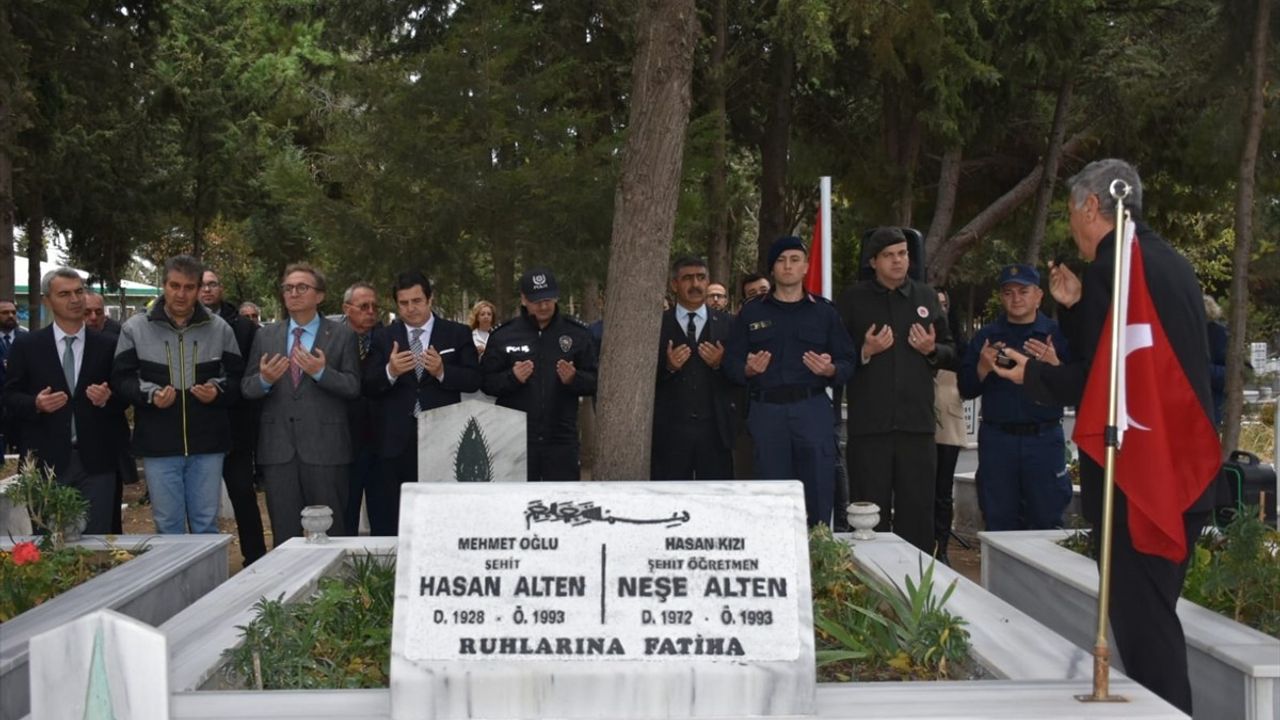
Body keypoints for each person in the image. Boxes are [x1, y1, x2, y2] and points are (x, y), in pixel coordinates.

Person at [993, 158, 1217, 714]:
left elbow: (1100, 382)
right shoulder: (1163, 260)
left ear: (1093, 206)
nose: (1072, 225)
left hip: (1136, 479)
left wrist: (1031, 375)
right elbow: (1121, 360)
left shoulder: (1114, 269)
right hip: (1174, 467)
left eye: (1072, 212)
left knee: (1146, 632)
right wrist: (1072, 311)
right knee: (1153, 618)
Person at [837, 226, 955, 554]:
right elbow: (836, 357)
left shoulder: (927, 297)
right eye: (889, 256)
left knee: (917, 515)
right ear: (873, 262)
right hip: (869, 429)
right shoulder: (852, 300)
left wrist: (932, 349)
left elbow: (952, 351)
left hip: (916, 427)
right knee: (867, 516)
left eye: (902, 254)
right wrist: (865, 351)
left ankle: (913, 591)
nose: (898, 261)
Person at [725, 236, 855, 526]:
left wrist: (830, 369)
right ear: (772, 269)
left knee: (818, 488)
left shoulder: (824, 312)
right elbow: (730, 364)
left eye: (795, 260)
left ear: (806, 266)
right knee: (770, 493)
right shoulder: (751, 312)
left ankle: (818, 561)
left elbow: (849, 361)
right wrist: (747, 370)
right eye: (781, 261)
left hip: (812, 410)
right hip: (767, 412)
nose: (788, 266)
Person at [112, 255, 245, 535]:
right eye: (174, 285)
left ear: (198, 289)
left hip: (208, 443)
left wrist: (217, 391)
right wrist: (150, 394)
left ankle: (208, 581)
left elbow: (236, 380)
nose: (181, 294)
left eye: (189, 287)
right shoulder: (135, 328)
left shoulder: (220, 328)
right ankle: (173, 580)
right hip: (158, 444)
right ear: (163, 286)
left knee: (206, 523)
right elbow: (121, 379)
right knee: (167, 524)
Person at [240, 263, 360, 544]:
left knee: (333, 533)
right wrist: (265, 379)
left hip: (326, 449)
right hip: (279, 451)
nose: (294, 293)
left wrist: (320, 372)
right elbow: (247, 387)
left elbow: (353, 387)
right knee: (284, 537)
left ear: (319, 296)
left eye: (302, 287)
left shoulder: (342, 335)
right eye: (288, 288)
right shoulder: (265, 335)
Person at [4, 269, 127, 533]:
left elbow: (124, 394)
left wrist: (108, 399)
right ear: (47, 301)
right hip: (45, 462)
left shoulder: (108, 345)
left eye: (79, 291)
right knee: (49, 542)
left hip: (97, 461)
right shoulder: (28, 346)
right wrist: (35, 404)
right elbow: (9, 397)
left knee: (99, 543)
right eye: (65, 294)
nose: (75, 299)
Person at [957, 265, 1071, 532]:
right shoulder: (988, 337)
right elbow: (967, 388)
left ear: (1039, 296)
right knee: (999, 520)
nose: (1016, 298)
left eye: (1023, 291)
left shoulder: (1056, 335)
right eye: (1008, 293)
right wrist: (983, 367)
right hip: (999, 442)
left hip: (1043, 441)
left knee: (1046, 521)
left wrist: (1054, 364)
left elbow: (1074, 387)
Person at [364, 272, 480, 533]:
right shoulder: (384, 337)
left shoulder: (456, 333)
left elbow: (474, 379)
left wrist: (442, 371)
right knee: (391, 517)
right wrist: (390, 371)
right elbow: (368, 384)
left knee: (440, 515)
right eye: (403, 303)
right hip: (394, 442)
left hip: (442, 437)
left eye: (417, 301)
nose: (410, 308)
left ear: (430, 299)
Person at [481, 268, 597, 481]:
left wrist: (574, 379)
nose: (544, 306)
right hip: (514, 438)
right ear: (524, 299)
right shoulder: (504, 335)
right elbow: (486, 383)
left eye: (548, 299)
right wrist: (512, 378)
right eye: (537, 300)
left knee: (563, 505)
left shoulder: (577, 333)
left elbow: (594, 381)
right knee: (515, 505)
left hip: (561, 439)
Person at [652, 257, 735, 480]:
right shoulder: (656, 325)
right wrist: (668, 368)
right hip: (670, 434)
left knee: (716, 501)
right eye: (687, 278)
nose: (695, 284)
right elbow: (643, 380)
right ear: (674, 284)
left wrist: (720, 364)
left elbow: (738, 376)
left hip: (715, 432)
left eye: (701, 277)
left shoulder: (728, 324)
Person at [339, 282, 381, 534]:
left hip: (381, 436)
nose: (371, 312)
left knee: (382, 510)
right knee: (346, 509)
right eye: (364, 306)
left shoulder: (388, 338)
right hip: (344, 438)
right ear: (347, 308)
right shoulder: (332, 339)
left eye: (375, 306)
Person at [932, 289, 966, 563]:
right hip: (916, 423)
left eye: (943, 304)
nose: (939, 309)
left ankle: (940, 547)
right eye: (934, 304)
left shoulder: (956, 342)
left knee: (942, 492)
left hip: (948, 425)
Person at [0, 298, 29, 454]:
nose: (10, 316)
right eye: (5, 313)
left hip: (19, 405)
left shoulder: (25, 337)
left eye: (13, 312)